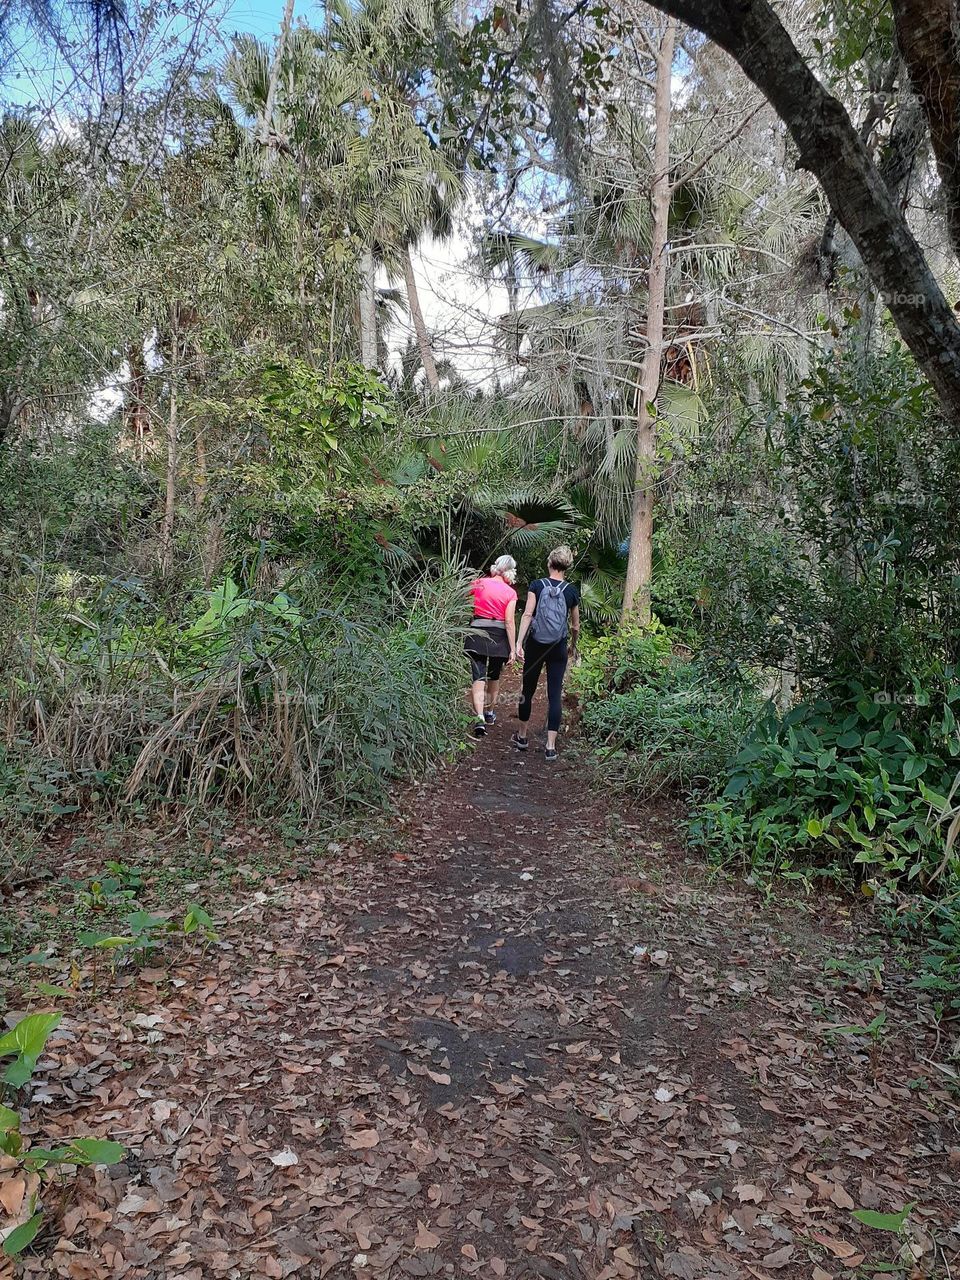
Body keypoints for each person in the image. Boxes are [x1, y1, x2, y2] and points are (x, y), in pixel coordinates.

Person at [512, 545, 580, 760]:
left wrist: (519, 643)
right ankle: (550, 746)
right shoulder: (571, 591)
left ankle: (522, 736)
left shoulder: (537, 585)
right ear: (566, 567)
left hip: (535, 645)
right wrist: (573, 645)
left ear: (550, 563)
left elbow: (527, 615)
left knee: (528, 689)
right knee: (554, 694)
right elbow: (575, 626)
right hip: (557, 647)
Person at [465, 555, 518, 737]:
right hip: (498, 636)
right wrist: (513, 648)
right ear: (511, 571)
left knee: (478, 676)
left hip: (476, 633)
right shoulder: (510, 593)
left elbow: (461, 598)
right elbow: (509, 621)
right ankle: (489, 712)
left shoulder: (479, 583)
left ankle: (479, 718)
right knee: (494, 676)